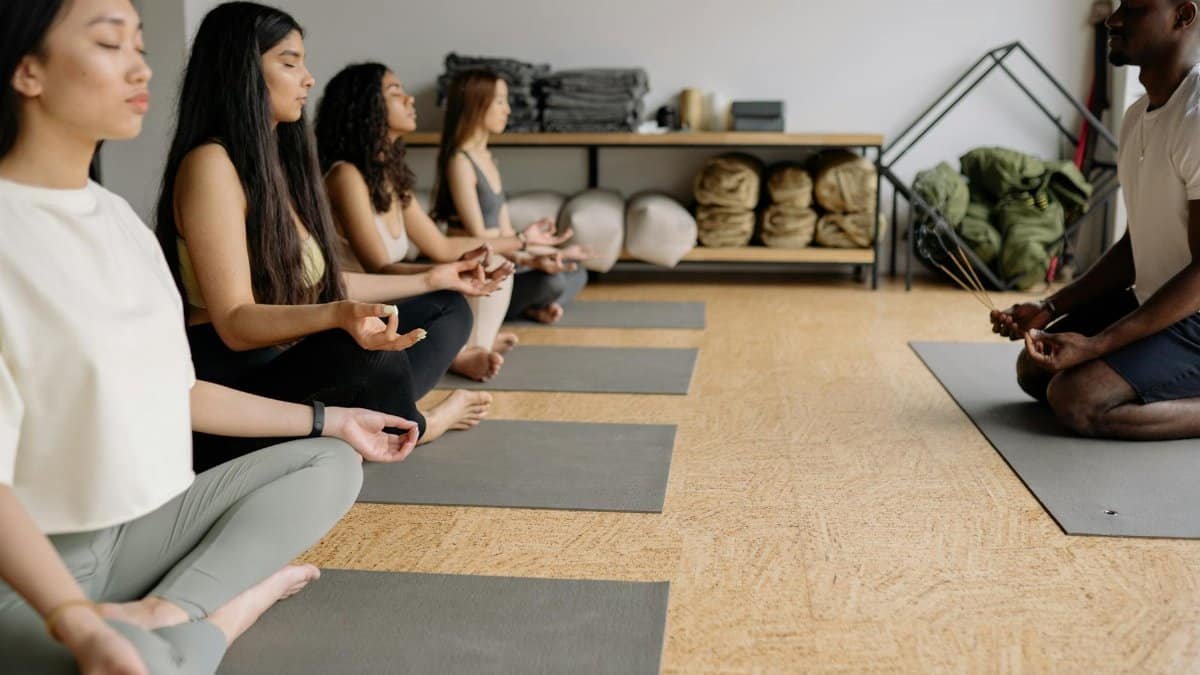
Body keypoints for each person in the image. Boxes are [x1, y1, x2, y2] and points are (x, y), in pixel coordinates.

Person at [0, 1, 419, 672]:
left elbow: (180, 391)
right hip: (26, 576)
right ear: (27, 72)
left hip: (131, 530)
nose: (142, 64)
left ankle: (166, 610)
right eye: (112, 44)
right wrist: (75, 622)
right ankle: (222, 613)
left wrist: (333, 419)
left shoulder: (117, 222)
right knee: (145, 664)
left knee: (331, 458)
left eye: (141, 43)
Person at [156, 3, 503, 469]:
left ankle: (378, 416)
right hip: (232, 384)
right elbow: (236, 324)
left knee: (447, 306)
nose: (308, 78)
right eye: (290, 61)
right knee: (367, 356)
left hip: (285, 358)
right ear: (242, 70)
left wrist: (434, 277)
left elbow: (326, 283)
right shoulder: (211, 165)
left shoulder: (279, 164)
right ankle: (416, 424)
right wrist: (338, 316)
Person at [992, 0, 1200, 440]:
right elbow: (1134, 245)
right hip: (1154, 300)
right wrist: (1049, 307)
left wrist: (1098, 344)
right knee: (1035, 368)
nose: (1114, 18)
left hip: (1195, 316)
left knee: (1077, 399)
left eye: (1136, 8)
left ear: (1183, 17)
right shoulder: (1135, 116)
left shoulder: (1197, 117)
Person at [315, 63, 574, 380]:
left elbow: (441, 245)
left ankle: (472, 346)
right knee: (454, 301)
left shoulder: (392, 178)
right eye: (396, 92)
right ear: (364, 107)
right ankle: (468, 351)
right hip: (364, 305)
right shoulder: (346, 176)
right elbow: (378, 268)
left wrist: (521, 241)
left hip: (394, 294)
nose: (410, 99)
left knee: (491, 265)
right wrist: (443, 275)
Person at [431, 69, 591, 325]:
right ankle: (529, 307)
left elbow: (506, 231)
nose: (507, 110)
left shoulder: (488, 158)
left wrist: (551, 252)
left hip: (504, 256)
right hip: (482, 268)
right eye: (500, 101)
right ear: (477, 104)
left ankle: (530, 307)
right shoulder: (460, 162)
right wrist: (530, 250)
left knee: (577, 272)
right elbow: (479, 238)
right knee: (551, 282)